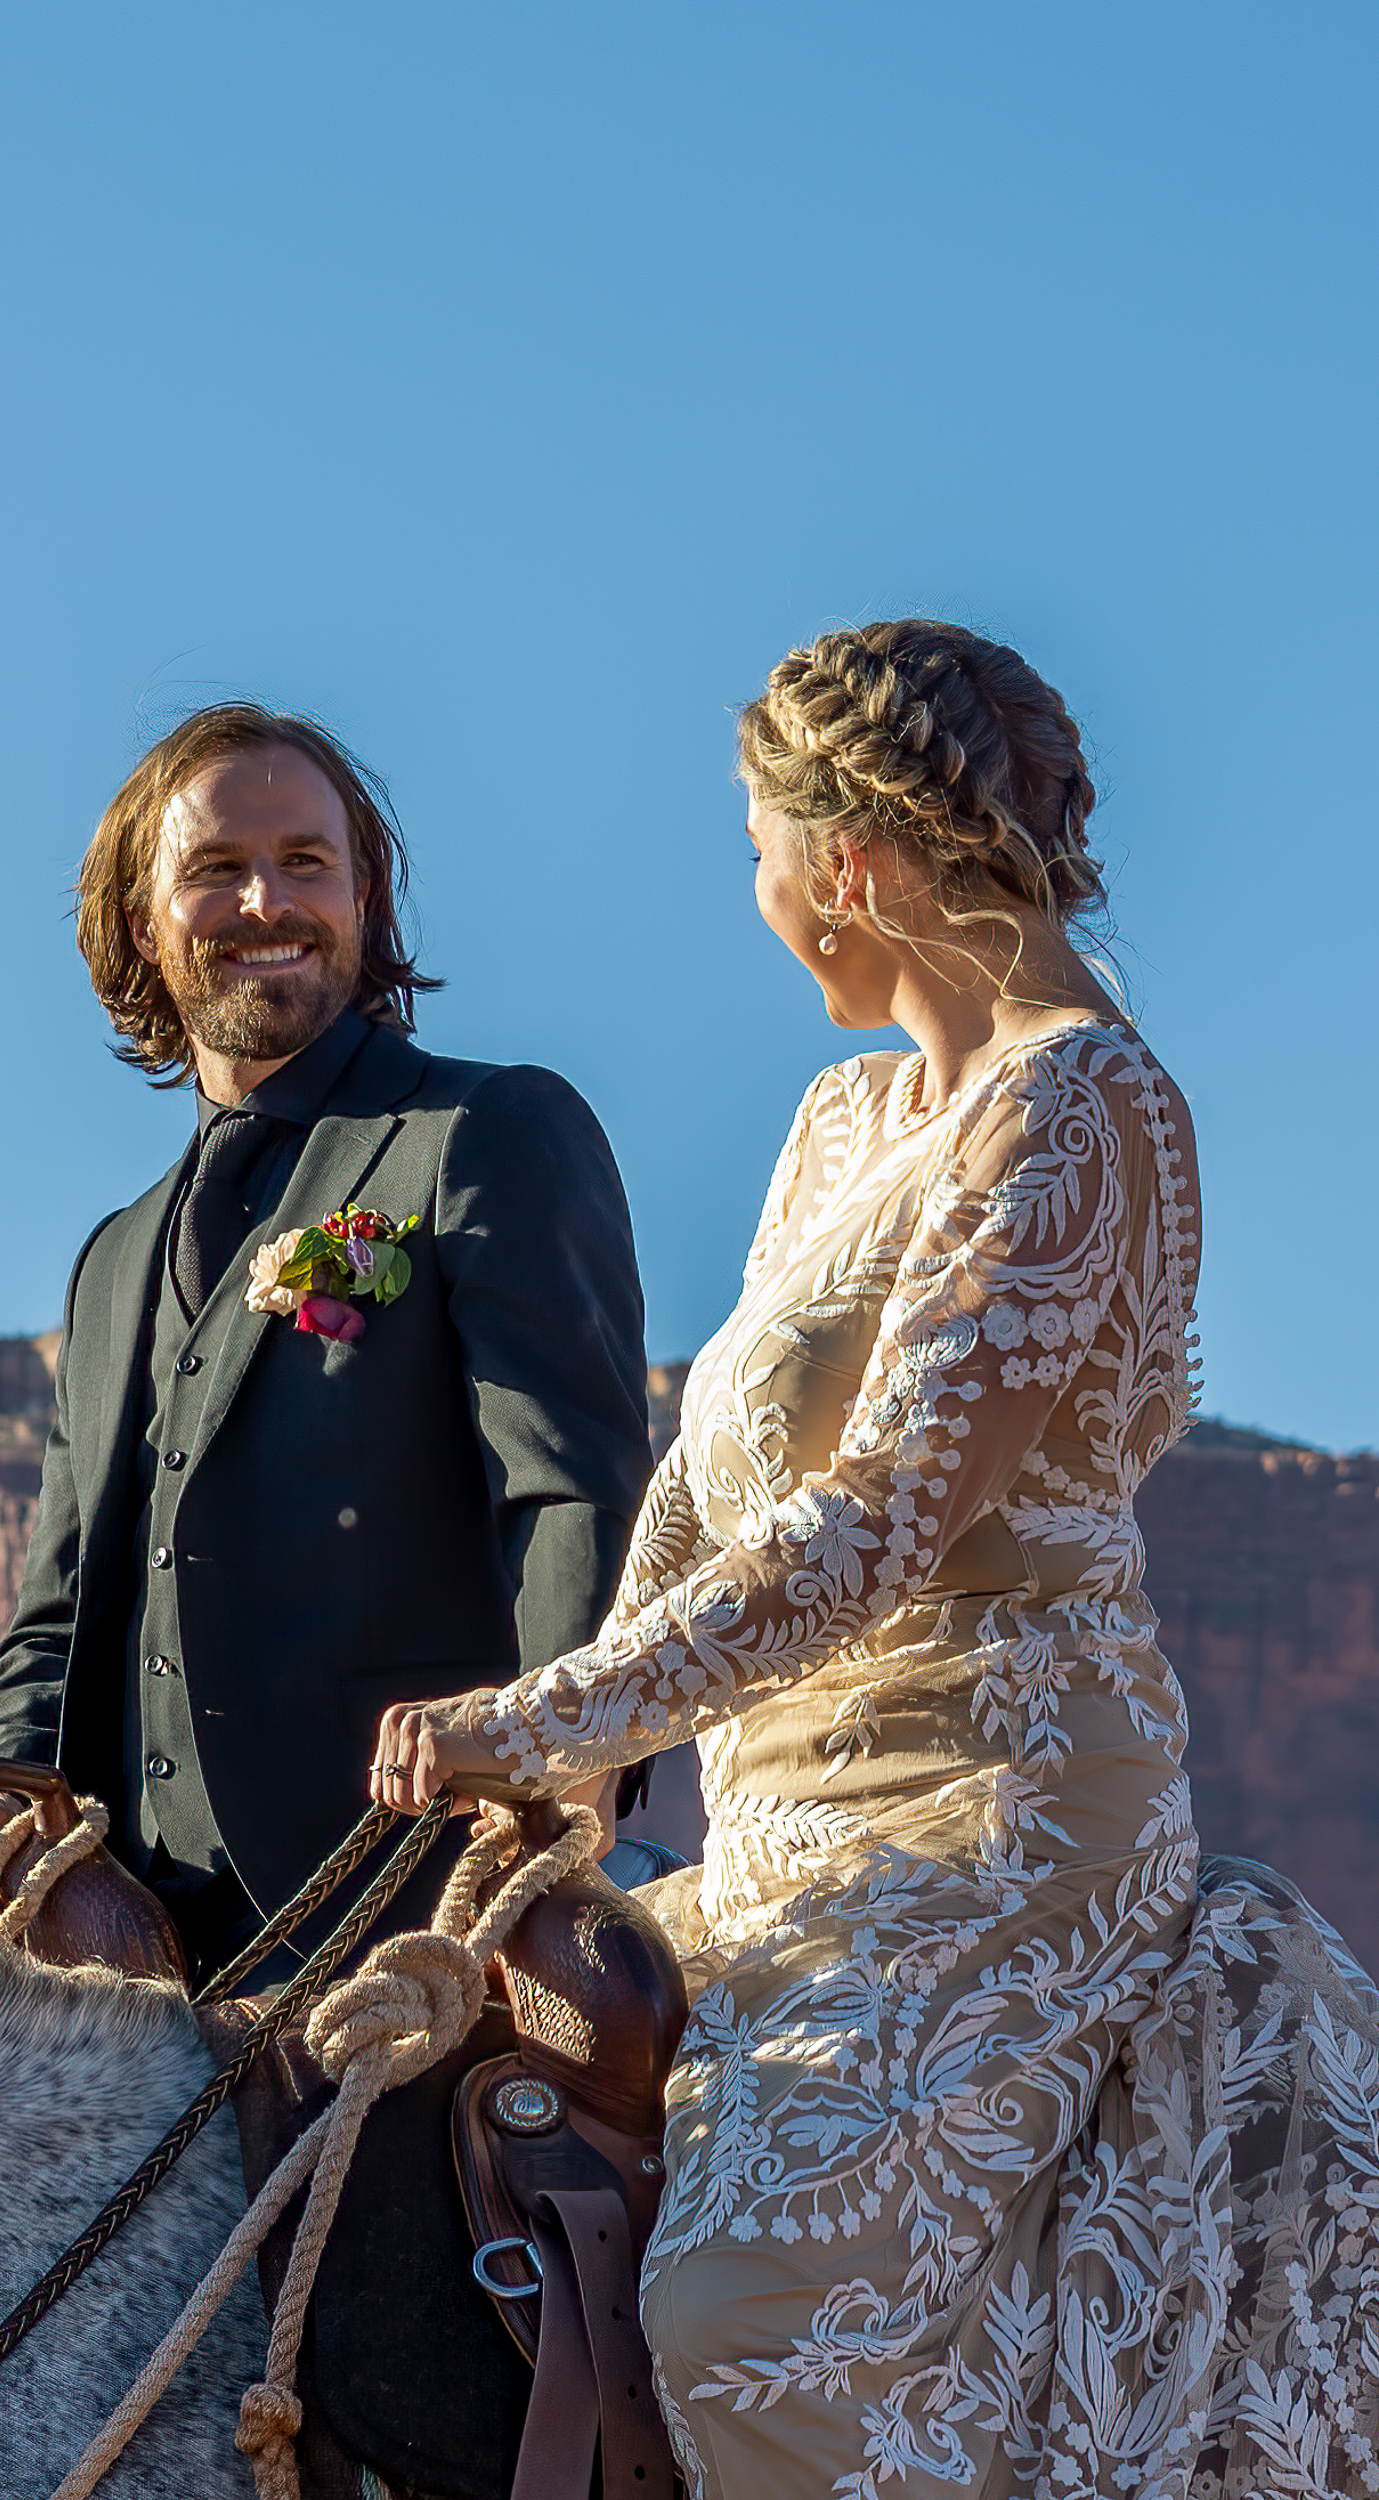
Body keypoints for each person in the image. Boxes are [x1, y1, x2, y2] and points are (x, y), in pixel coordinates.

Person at [373, 622, 1379, 2497]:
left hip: (990, 1829)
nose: (751, 895)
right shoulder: (839, 1117)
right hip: (770, 1835)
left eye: (755, 848)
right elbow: (709, 1482)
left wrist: (536, 1709)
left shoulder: (1081, 1101)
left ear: (843, 864)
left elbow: (880, 1524)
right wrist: (587, 1773)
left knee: (746, 2319)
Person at [0, 703, 652, 1982]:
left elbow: (573, 1491)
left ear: (364, 895)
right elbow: (61, 1602)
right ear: (144, 923)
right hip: (137, 1955)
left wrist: (552, 1775)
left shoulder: (483, 1129)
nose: (265, 900)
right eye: (215, 869)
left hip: (421, 1907)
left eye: (307, 861)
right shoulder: (109, 1262)